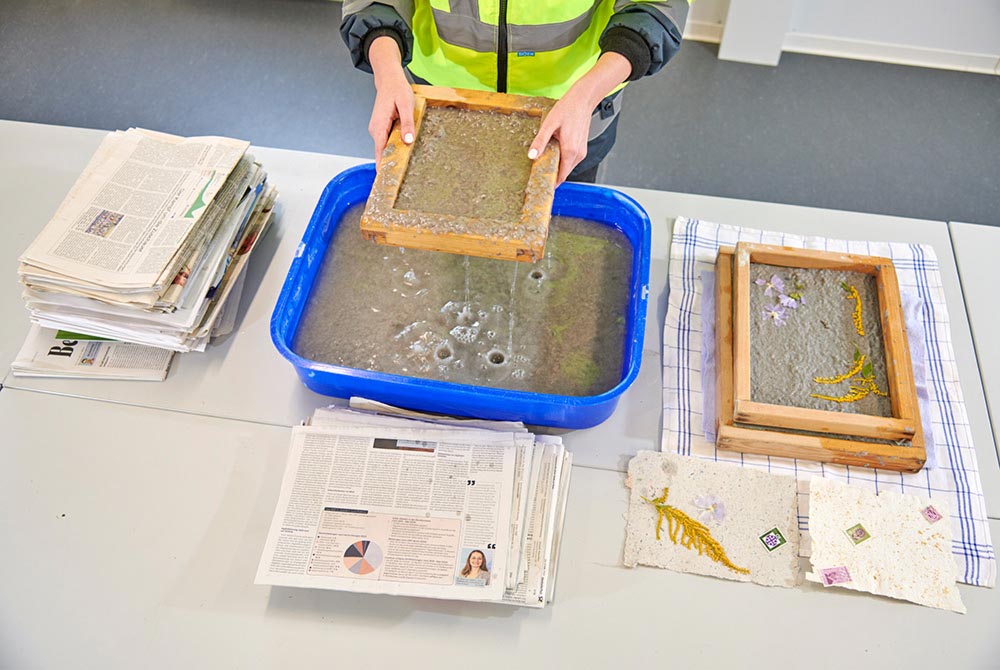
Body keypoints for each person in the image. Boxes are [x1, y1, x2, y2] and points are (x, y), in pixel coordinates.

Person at [341, 1, 689, 184]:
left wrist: (586, 95)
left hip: (569, 117)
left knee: (561, 254)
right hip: (445, 112)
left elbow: (655, 7)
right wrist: (387, 73)